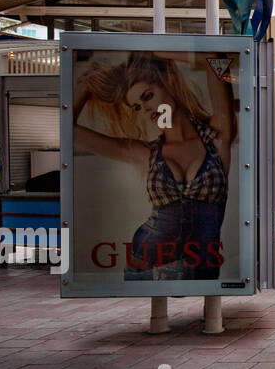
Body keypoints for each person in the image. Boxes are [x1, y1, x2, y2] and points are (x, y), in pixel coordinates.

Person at [73, 51, 237, 279]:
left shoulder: (217, 138)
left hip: (199, 268)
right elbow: (69, 131)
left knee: (206, 310)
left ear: (167, 83)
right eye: (137, 107)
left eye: (148, 96)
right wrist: (86, 84)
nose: (146, 109)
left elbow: (216, 60)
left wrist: (155, 51)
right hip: (146, 265)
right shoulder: (146, 153)